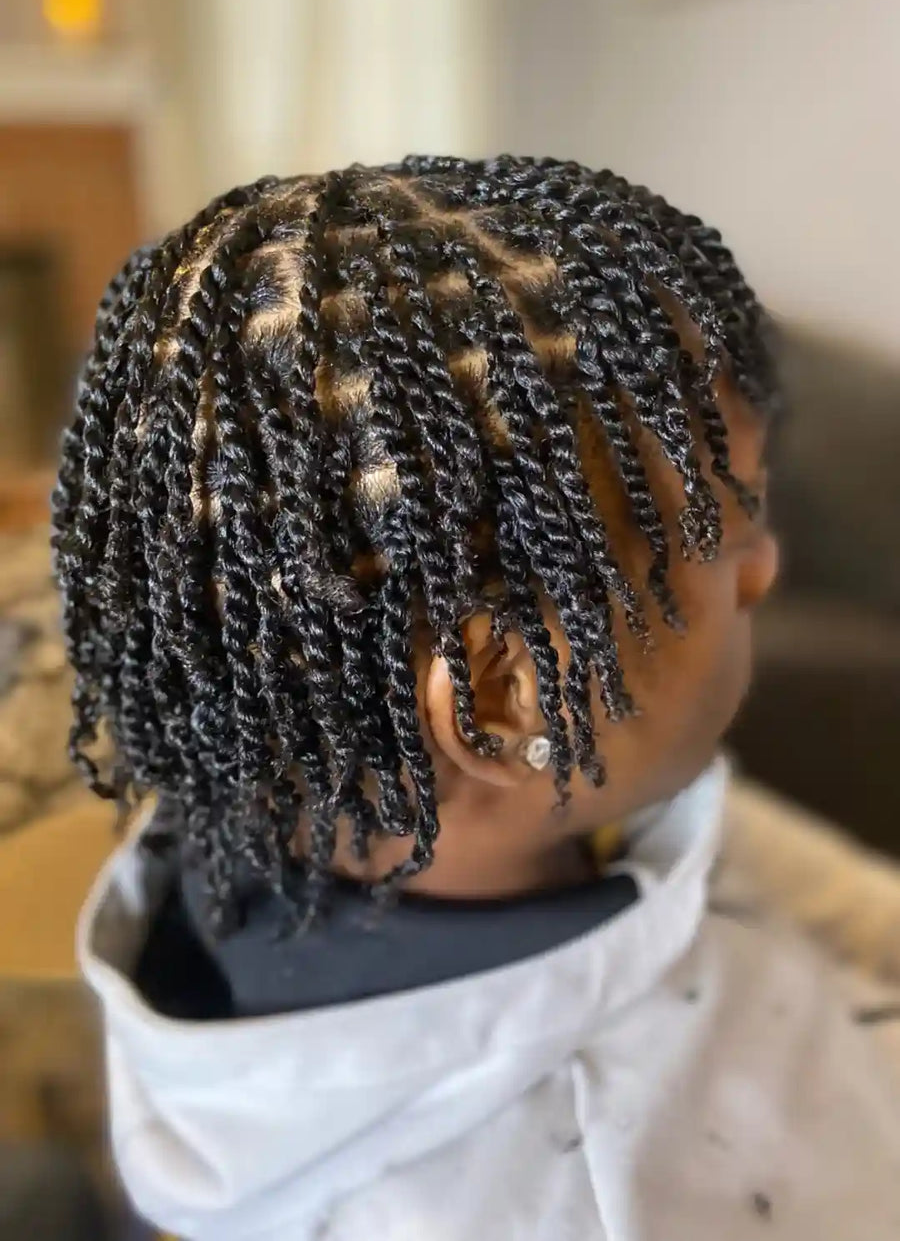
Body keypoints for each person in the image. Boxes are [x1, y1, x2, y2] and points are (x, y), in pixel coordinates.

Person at [54, 158, 900, 1241]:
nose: (765, 571)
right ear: (506, 699)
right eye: (726, 535)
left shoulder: (260, 832)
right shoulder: (609, 1193)